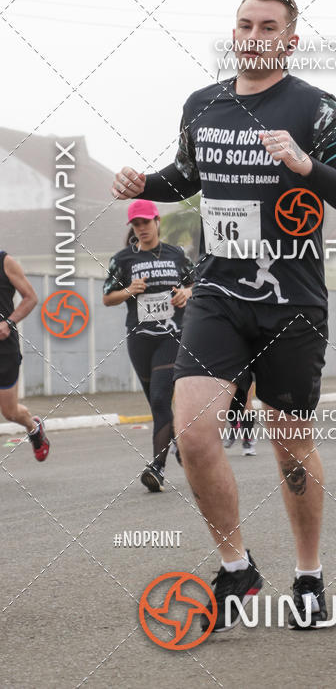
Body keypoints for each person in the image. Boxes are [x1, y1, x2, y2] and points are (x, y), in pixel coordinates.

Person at [110, 0, 336, 631]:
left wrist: (305, 162)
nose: (254, 35)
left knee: (290, 447)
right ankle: (237, 568)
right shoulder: (205, 106)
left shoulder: (316, 108)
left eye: (268, 27)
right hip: (218, 292)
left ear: (289, 40)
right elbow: (186, 177)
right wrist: (145, 183)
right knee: (195, 432)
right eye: (244, 25)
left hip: (293, 301)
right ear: (234, 34)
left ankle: (308, 574)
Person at [103, 200, 195, 492]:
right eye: (136, 224)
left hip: (171, 336)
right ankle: (180, 445)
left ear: (157, 222)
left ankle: (157, 467)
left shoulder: (177, 255)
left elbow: (198, 285)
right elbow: (107, 297)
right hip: (140, 340)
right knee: (159, 406)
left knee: (159, 398)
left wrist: (186, 293)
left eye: (146, 222)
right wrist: (128, 290)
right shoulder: (123, 259)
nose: (141, 228)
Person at [0, 251, 49, 460]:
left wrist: (8, 323)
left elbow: (31, 297)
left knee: (10, 413)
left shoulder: (6, 262)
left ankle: (33, 427)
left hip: (4, 348)